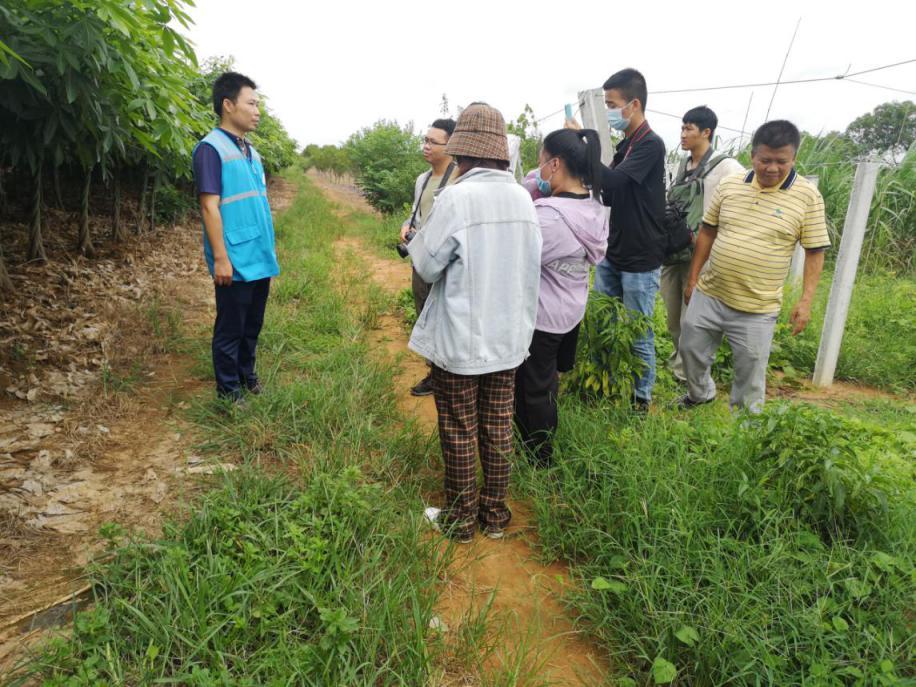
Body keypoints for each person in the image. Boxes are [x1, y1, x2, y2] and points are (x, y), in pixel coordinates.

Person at [408, 103, 542, 543]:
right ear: (502, 155)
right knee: (498, 423)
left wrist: (416, 241)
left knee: (459, 426)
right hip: (509, 337)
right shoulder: (524, 199)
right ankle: (495, 515)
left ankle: (461, 521)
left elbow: (427, 267)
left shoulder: (456, 198)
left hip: (462, 338)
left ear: (462, 155)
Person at [680, 120, 830, 413]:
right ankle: (700, 395)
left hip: (757, 308)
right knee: (689, 350)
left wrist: (806, 301)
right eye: (765, 160)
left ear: (794, 158)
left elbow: (814, 251)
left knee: (749, 374)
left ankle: (745, 429)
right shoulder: (731, 184)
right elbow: (708, 231)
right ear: (753, 156)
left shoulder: (808, 197)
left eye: (781, 161)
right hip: (710, 293)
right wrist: (693, 278)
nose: (772, 168)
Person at [572, 68, 667, 411]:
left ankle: (641, 400)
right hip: (614, 251)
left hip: (641, 256)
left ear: (634, 104)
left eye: (612, 104)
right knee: (602, 321)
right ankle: (602, 383)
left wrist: (582, 146)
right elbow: (608, 193)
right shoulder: (627, 144)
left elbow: (611, 182)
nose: (610, 111)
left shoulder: (651, 145)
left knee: (638, 331)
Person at [515, 129, 608, 467]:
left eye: (541, 162)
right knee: (548, 379)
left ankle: (539, 457)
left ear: (555, 163)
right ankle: (535, 445)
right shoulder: (593, 205)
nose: (536, 170)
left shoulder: (549, 218)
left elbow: (517, 260)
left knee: (534, 388)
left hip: (542, 317)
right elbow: (534, 182)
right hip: (570, 309)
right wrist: (539, 182)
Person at [192, 72, 280, 403]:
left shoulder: (251, 152)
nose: (258, 111)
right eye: (252, 103)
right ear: (228, 105)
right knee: (230, 327)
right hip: (234, 256)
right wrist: (220, 258)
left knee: (252, 324)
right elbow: (209, 206)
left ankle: (247, 376)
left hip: (258, 253)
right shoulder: (210, 149)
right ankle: (228, 391)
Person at [661, 106, 745, 382]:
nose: (682, 134)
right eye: (682, 128)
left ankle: (689, 374)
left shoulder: (727, 168)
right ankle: (681, 361)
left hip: (704, 255)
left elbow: (741, 204)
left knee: (692, 319)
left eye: (689, 129)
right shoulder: (681, 167)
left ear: (706, 132)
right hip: (673, 253)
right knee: (674, 319)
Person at [399, 119, 459, 396]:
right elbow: (417, 211)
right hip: (422, 260)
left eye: (433, 142)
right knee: (424, 311)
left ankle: (453, 374)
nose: (426, 146)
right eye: (425, 140)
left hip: (449, 264)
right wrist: (407, 226)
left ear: (451, 145)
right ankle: (435, 374)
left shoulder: (459, 179)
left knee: (449, 318)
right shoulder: (422, 180)